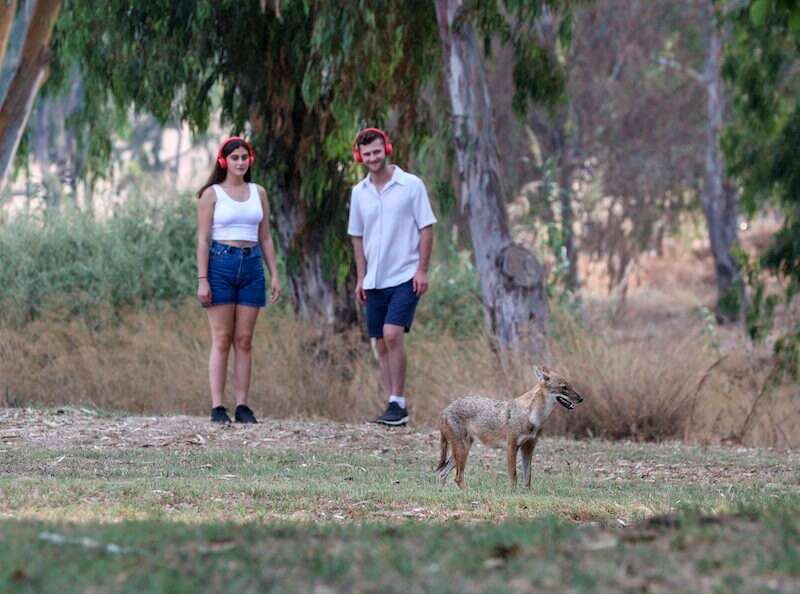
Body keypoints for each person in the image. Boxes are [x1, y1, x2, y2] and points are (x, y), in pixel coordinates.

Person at [347, 128, 437, 426]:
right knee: (380, 343)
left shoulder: (411, 185)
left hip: (405, 275)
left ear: (386, 149)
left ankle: (399, 400)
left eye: (376, 151)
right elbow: (357, 237)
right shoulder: (359, 193)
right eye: (367, 154)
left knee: (392, 333)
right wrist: (361, 277)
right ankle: (392, 405)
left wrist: (422, 269)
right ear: (360, 156)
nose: (373, 158)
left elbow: (426, 228)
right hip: (374, 279)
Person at [196, 136, 281, 424]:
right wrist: (203, 279)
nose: (240, 162)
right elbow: (203, 239)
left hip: (252, 265)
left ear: (250, 160)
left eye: (244, 157)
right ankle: (218, 406)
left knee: (244, 340)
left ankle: (242, 404)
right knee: (221, 338)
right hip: (221, 263)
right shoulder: (212, 194)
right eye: (235, 158)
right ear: (224, 161)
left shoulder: (259, 192)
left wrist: (275, 275)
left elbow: (266, 236)